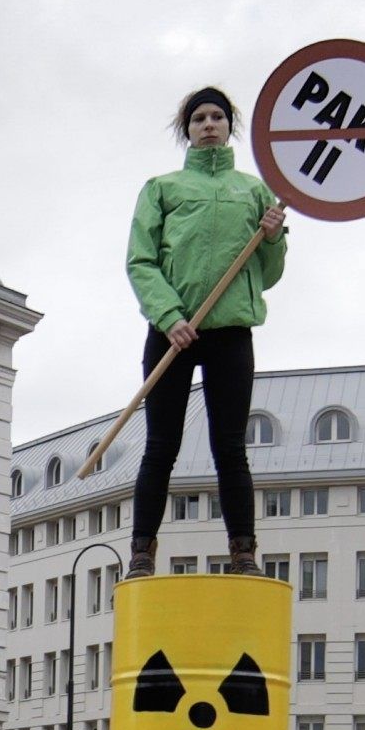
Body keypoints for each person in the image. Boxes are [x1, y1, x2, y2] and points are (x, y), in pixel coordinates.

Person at [121, 85, 287, 576]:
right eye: (199, 119)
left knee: (230, 447)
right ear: (187, 130)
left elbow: (269, 273)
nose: (209, 124)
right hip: (173, 330)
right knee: (160, 445)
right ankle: (141, 553)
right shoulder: (162, 189)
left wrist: (274, 238)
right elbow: (141, 260)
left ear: (229, 126)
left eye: (217, 116)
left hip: (231, 330)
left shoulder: (254, 192)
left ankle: (243, 553)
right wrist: (169, 317)